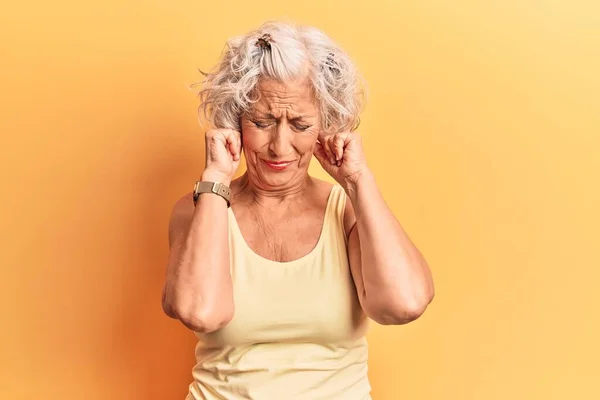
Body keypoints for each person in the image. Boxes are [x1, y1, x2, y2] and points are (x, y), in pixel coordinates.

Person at [162, 20, 435, 400]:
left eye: (301, 124)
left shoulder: (347, 211)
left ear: (326, 126)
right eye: (262, 122)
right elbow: (200, 312)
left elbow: (403, 304)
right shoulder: (201, 208)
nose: (280, 146)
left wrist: (357, 180)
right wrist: (216, 177)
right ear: (234, 121)